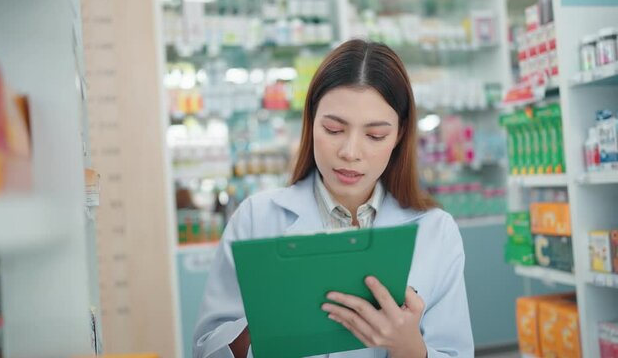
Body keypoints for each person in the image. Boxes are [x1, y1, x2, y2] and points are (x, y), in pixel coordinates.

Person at [192, 39, 474, 358]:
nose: (350, 152)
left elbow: (455, 351)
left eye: (375, 135)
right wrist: (263, 325)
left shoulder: (436, 231)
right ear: (311, 122)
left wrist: (407, 345)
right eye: (334, 129)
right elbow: (206, 349)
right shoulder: (256, 218)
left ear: (399, 134)